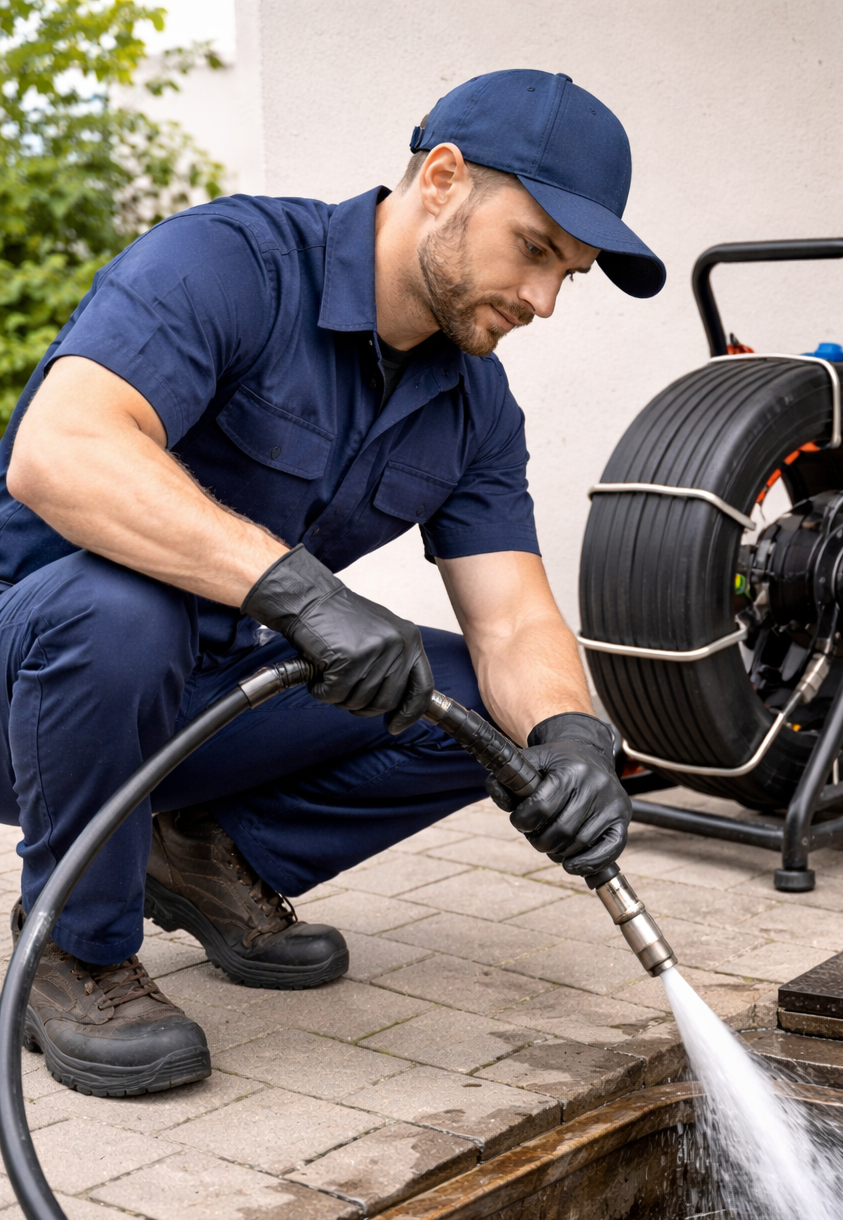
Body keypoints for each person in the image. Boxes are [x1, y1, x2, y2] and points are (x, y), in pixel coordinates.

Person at [0, 68, 665, 1097]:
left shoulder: (474, 406)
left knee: (469, 704)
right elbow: (62, 450)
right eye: (535, 250)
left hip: (192, 707)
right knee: (122, 609)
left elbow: (513, 621)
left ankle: (205, 859)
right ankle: (73, 948)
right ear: (442, 179)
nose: (541, 301)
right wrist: (300, 593)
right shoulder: (231, 266)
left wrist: (569, 744)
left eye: (566, 274)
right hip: (37, 691)